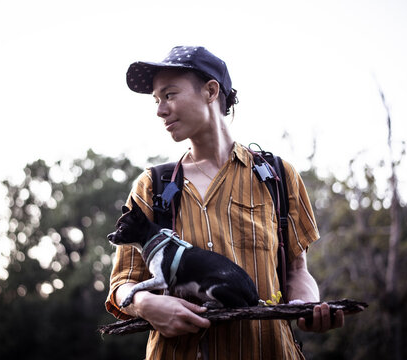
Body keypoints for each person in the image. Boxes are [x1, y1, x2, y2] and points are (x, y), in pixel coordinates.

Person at [105, 46, 344, 359]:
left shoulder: (277, 176)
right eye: (157, 100)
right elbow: (123, 283)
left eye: (170, 94)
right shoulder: (152, 186)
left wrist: (308, 307)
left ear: (210, 91)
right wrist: (146, 304)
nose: (160, 110)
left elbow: (297, 271)